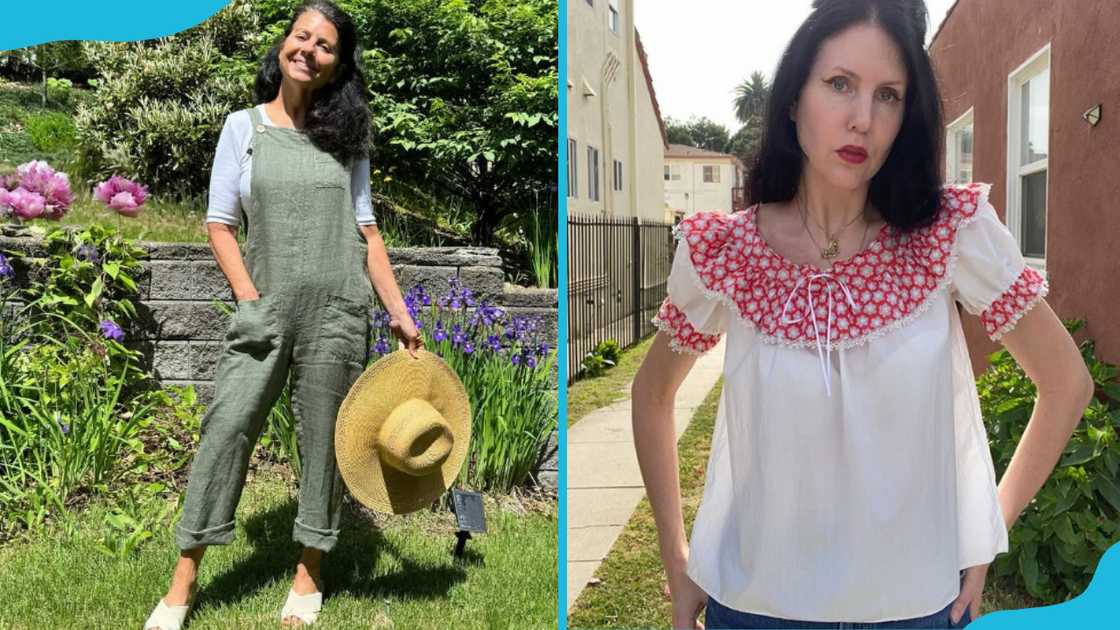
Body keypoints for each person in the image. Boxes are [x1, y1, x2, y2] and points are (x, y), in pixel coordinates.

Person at [632, 1, 1093, 629]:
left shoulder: (950, 234)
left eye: (889, 95)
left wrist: (987, 535)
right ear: (794, 98)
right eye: (840, 84)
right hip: (757, 608)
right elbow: (652, 394)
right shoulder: (728, 251)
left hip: (913, 609)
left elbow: (1066, 383)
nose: (862, 119)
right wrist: (674, 555)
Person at [144, 2, 422, 628]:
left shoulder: (347, 140)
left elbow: (368, 231)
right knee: (227, 427)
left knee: (325, 441)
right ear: (283, 45)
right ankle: (183, 581)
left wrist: (399, 313)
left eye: (324, 45)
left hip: (338, 312)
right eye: (301, 37)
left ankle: (309, 570)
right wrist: (247, 297)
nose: (308, 50)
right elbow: (219, 223)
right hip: (264, 309)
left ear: (335, 64)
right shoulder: (243, 128)